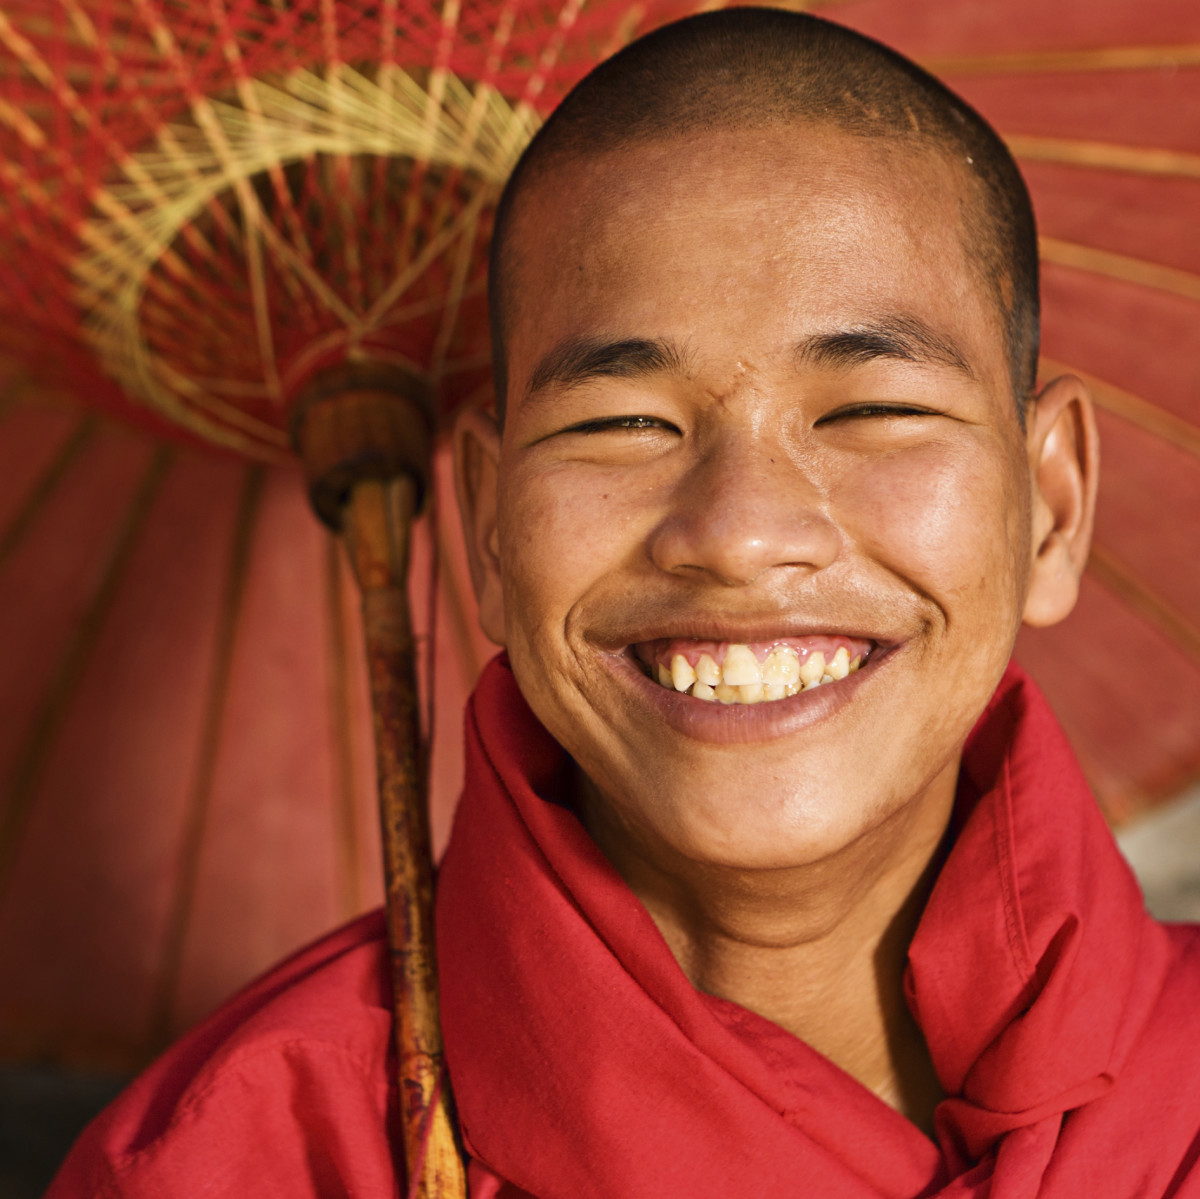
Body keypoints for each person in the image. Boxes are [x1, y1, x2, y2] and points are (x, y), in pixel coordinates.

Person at [48, 9, 1200, 1198]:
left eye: (871, 410)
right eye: (623, 421)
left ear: (1052, 504)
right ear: (491, 530)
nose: (740, 533)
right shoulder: (236, 1162)